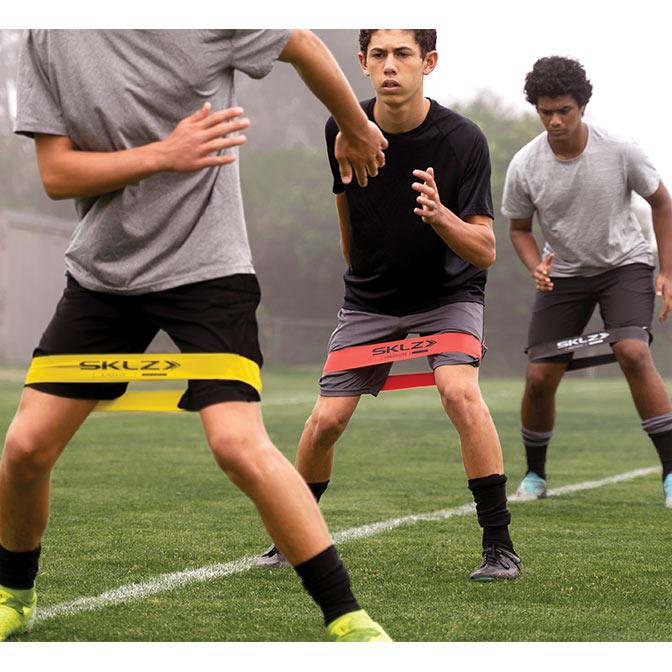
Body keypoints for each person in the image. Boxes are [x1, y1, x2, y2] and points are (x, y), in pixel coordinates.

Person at [0, 29, 392, 642]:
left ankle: (349, 621)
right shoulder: (46, 35)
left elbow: (300, 42)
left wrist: (356, 125)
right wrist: (165, 153)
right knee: (25, 447)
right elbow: (57, 173)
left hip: (208, 270)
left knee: (237, 444)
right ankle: (13, 597)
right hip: (105, 276)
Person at [256, 29, 522, 581]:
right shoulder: (342, 126)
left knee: (459, 392)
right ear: (362, 62)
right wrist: (360, 280)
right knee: (325, 421)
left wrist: (440, 216)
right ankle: (290, 539)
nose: (390, 66)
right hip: (370, 301)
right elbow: (345, 214)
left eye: (403, 54)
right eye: (378, 55)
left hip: (449, 297)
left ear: (429, 62)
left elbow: (486, 251)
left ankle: (499, 548)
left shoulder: (463, 140)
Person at [502, 56, 672, 506]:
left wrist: (667, 271)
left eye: (564, 110)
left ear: (581, 106)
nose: (555, 121)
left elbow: (662, 203)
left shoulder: (620, 150)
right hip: (565, 275)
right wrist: (535, 265)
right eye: (546, 112)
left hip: (625, 266)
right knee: (539, 377)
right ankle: (535, 476)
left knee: (632, 351)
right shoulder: (524, 165)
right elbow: (519, 229)